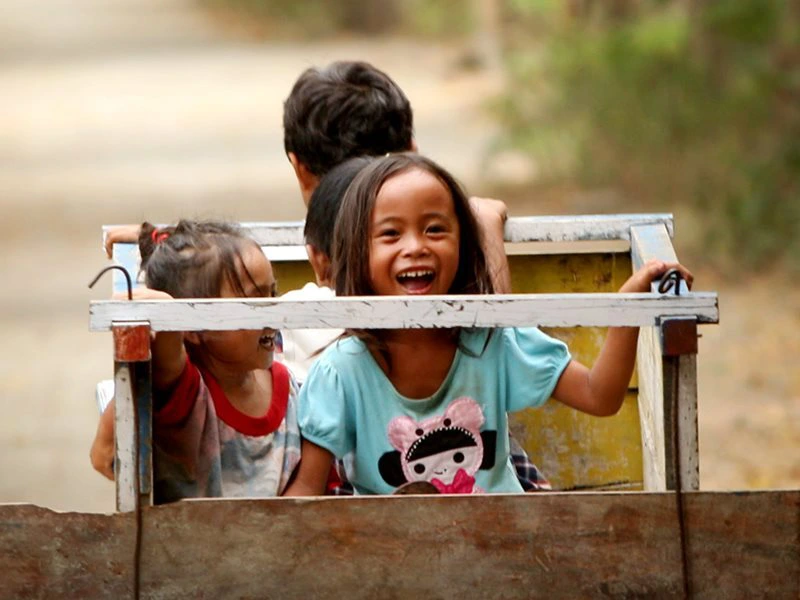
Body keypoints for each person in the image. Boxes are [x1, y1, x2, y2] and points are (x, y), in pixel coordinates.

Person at [283, 153, 693, 496]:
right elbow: (307, 493)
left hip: (502, 546)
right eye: (390, 234)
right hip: (391, 556)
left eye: (434, 229)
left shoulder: (494, 342)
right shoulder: (340, 372)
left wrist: (628, 306)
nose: (416, 247)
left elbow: (599, 396)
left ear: (464, 245)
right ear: (357, 254)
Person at [90, 220, 301, 502]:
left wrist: (153, 237)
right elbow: (165, 338)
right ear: (191, 329)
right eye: (253, 302)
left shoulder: (287, 383)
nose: (272, 313)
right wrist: (156, 247)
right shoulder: (187, 395)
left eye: (272, 294)